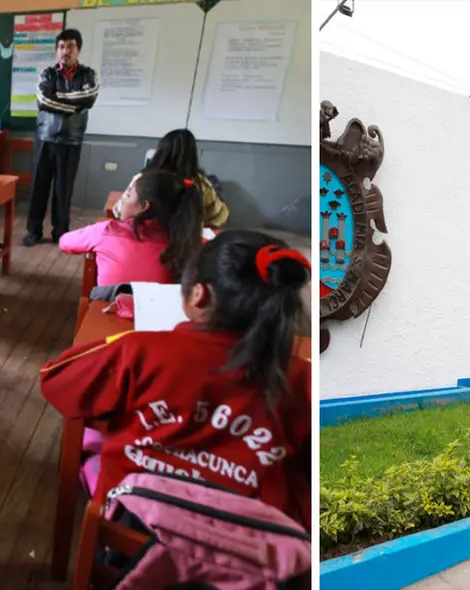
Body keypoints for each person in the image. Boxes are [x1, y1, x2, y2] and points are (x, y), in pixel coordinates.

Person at [39, 230, 312, 529]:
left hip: (138, 534)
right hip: (249, 558)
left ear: (199, 294)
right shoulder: (302, 378)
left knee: (91, 440)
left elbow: (55, 380)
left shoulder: (141, 350)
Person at [59, 168, 204, 287]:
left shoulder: (108, 231)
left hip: (108, 313)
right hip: (161, 318)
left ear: (143, 207)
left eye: (128, 195)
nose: (122, 200)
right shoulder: (191, 243)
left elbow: (64, 242)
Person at [23, 28, 100, 248]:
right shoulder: (47, 74)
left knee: (63, 189)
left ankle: (60, 231)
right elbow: (43, 101)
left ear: (78, 50)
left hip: (71, 139)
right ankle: (33, 231)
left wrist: (59, 98)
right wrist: (74, 105)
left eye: (71, 47)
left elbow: (89, 97)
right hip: (46, 138)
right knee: (39, 186)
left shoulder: (88, 74)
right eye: (62, 47)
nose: (66, 51)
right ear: (57, 50)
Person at [140, 129, 229, 229]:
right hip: (191, 232)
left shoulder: (145, 179)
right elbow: (219, 216)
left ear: (161, 151)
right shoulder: (198, 183)